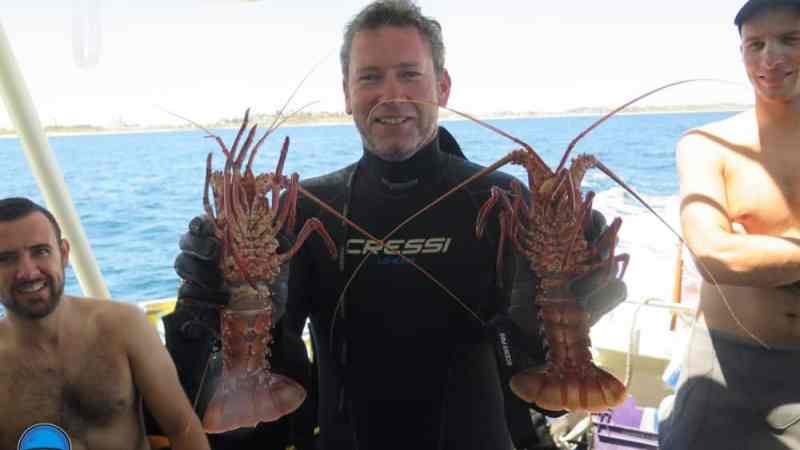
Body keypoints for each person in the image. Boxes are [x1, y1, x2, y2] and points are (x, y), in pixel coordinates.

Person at [173, 1, 627, 449]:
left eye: (409, 74)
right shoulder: (305, 208)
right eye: (370, 76)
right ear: (347, 92)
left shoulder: (505, 200)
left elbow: (539, 392)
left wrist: (578, 306)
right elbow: (267, 411)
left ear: (443, 86)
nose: (391, 94)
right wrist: (204, 324)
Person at [658, 1, 800, 448]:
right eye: (754, 44)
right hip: (724, 368)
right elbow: (715, 256)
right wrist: (735, 253)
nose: (771, 57)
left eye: (791, 40)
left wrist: (762, 250)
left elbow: (737, 255)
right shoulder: (707, 145)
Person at [0, 197, 211, 450]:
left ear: (64, 253)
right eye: (6, 258)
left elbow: (182, 428)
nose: (28, 272)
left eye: (40, 251)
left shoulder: (124, 327)